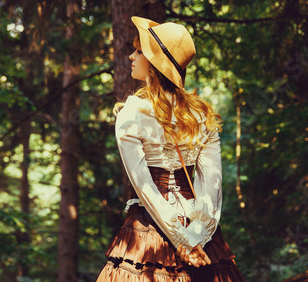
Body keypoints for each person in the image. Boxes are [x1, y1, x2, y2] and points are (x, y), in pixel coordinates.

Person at [96, 16, 245, 281]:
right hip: (201, 233)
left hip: (149, 231)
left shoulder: (132, 111)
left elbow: (144, 185)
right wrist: (197, 235)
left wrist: (183, 241)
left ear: (154, 63)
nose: (131, 56)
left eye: (139, 51)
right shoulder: (202, 114)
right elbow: (213, 186)